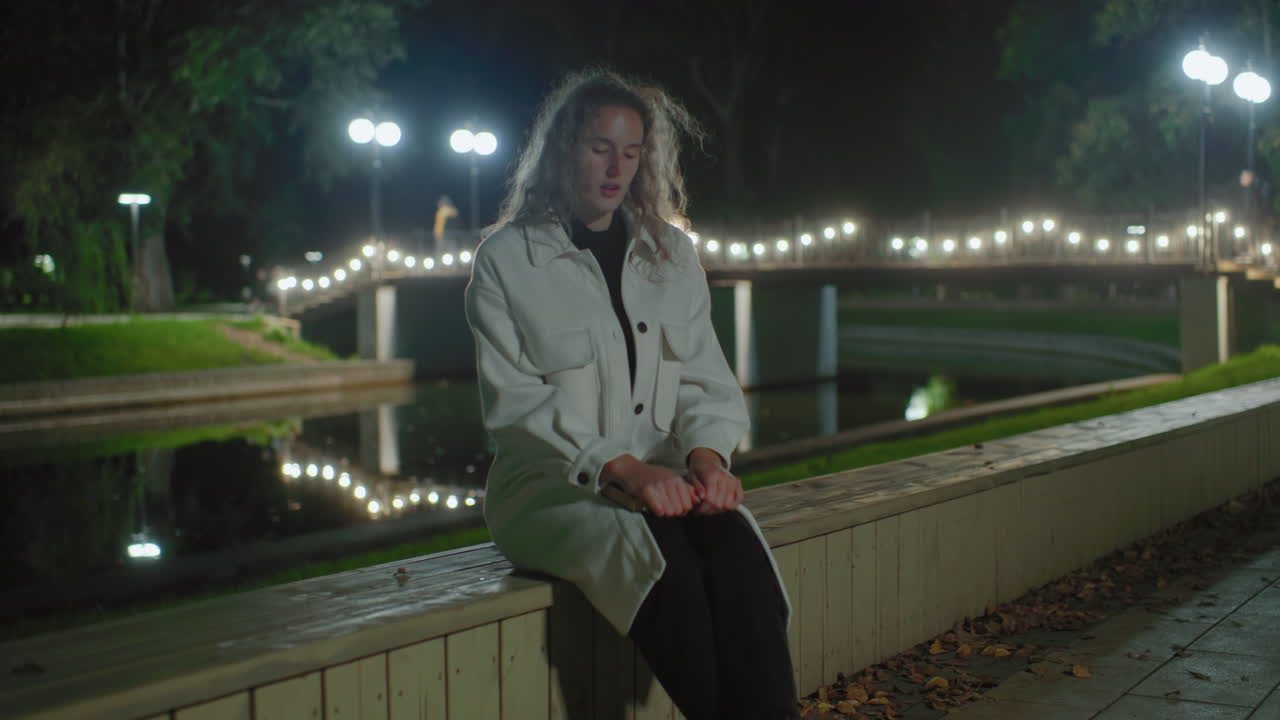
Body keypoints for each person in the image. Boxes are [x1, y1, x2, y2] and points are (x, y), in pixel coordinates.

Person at [464, 68, 799, 719]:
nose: (616, 167)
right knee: (658, 557)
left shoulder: (670, 253)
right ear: (564, 149)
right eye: (599, 147)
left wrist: (707, 458)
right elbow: (518, 407)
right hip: (553, 491)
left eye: (632, 149)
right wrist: (624, 470)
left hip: (665, 483)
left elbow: (704, 377)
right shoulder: (507, 261)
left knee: (734, 546)